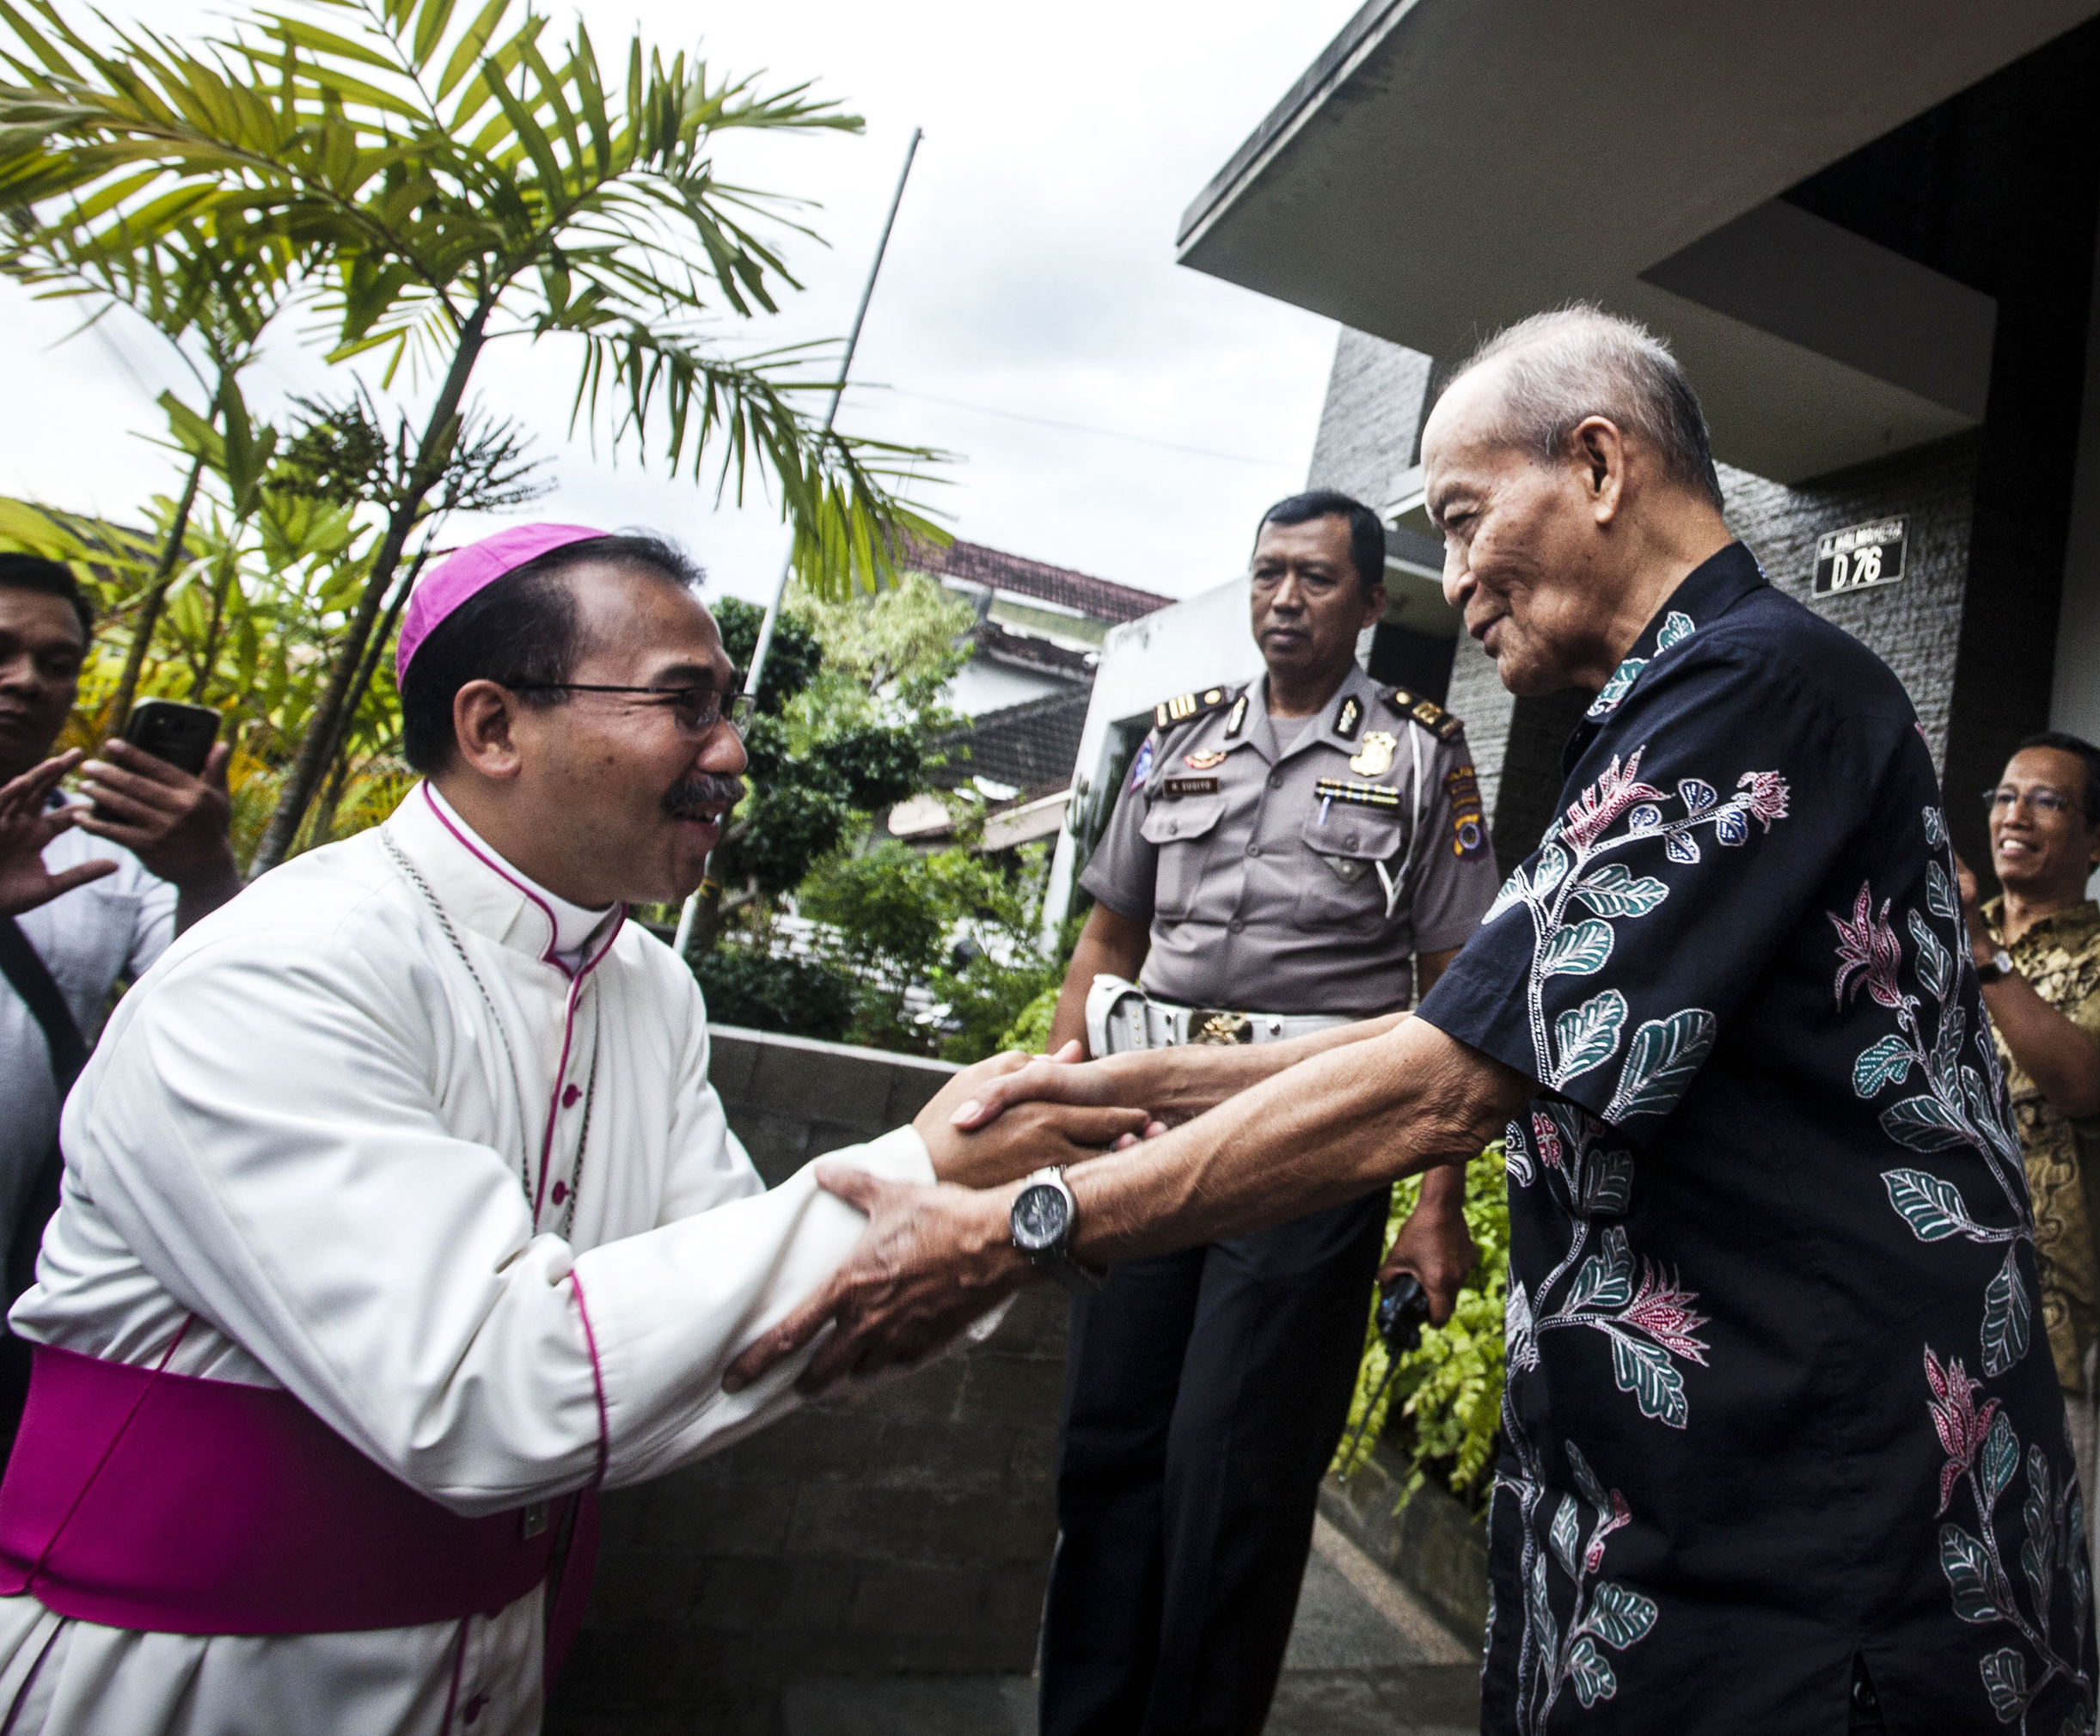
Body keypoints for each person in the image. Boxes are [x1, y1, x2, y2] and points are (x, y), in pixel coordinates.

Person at [732, 308, 2098, 1734]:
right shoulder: (1677, 700)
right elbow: (1486, 1024)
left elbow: (1451, 1082)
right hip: (1702, 1507)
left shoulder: (1758, 684)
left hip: (1816, 1532)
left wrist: (1024, 1225)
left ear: (1595, 463)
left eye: (1459, 519)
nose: (1451, 578)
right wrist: (1107, 1093)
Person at [0, 524, 1152, 1736]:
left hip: (484, 1660)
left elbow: (761, 1312)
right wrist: (925, 1171)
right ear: (492, 726)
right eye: (684, 705)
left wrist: (1003, 1218)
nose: (732, 753)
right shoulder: (283, 970)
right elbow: (477, 1386)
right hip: (183, 1676)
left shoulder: (645, 986)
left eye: (728, 706)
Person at [1041, 489, 1498, 1735]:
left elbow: (1457, 991)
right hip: (1149, 1131)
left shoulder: (1418, 751)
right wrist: (1055, 1108)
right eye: (1264, 576)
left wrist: (1433, 1204)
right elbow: (1106, 937)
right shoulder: (1175, 740)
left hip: (1309, 1144)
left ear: (1366, 602)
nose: (1281, 600)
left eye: (1310, 579)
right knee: (1111, 1447)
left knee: (1233, 1478)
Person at [0, 553, 241, 1447]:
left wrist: (206, 872)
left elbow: (214, 1009)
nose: (28, 681)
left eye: (56, 664)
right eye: (4, 651)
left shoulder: (101, 855)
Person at [1956, 733, 2100, 1523]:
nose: (2014, 814)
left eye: (2046, 800)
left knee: (2031, 1587)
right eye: (2004, 795)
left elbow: (2081, 1086)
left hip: (2040, 1328)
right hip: (1904, 1306)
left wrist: (1980, 954)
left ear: (2099, 840)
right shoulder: (1932, 938)